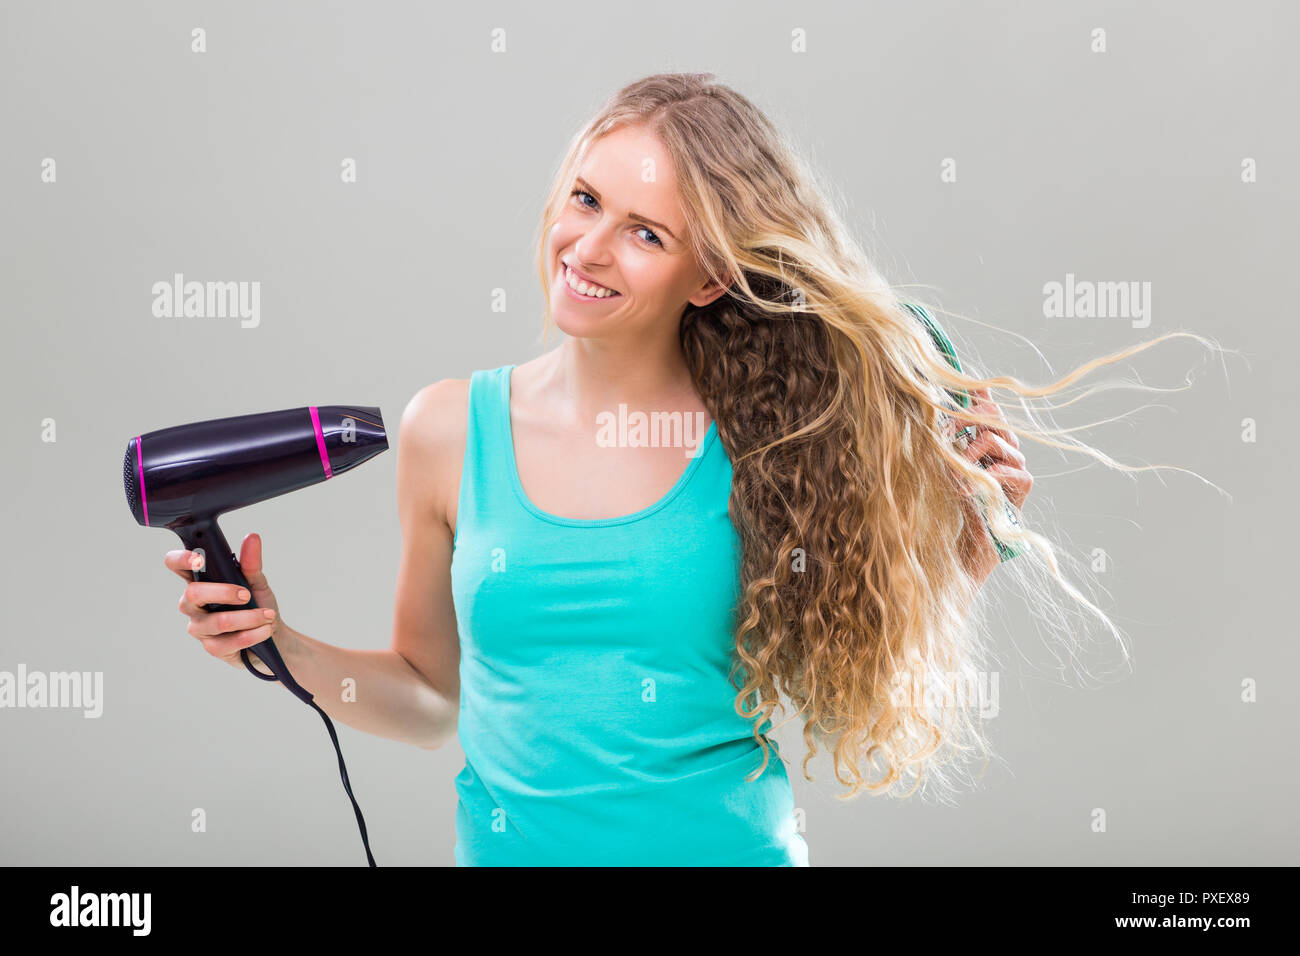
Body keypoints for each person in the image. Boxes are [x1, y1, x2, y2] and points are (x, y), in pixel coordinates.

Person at [163, 72, 1201, 866]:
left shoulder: (771, 440)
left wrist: (962, 560)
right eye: (583, 198)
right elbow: (435, 698)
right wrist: (278, 639)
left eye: (644, 232)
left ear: (709, 275)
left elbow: (850, 668)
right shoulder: (448, 429)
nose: (588, 246)